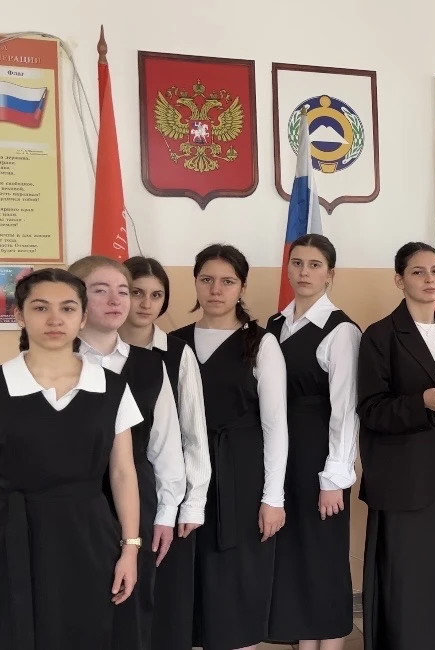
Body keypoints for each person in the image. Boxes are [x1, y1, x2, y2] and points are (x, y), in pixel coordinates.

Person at [0, 268, 142, 649]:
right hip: (14, 535)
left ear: (82, 316)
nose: (54, 319)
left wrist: (130, 547)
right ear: (19, 315)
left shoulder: (111, 387)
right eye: (40, 307)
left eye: (66, 308)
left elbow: (123, 472)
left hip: (90, 536)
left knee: (90, 632)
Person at [356, 242, 435, 650]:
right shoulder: (380, 336)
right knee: (404, 581)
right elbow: (371, 410)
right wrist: (421, 402)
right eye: (418, 272)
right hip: (403, 480)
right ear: (399, 280)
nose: (430, 279)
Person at [173, 244, 289, 650]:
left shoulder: (260, 343)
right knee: (191, 576)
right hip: (187, 474)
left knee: (237, 580)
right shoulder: (174, 343)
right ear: (195, 283)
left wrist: (273, 497)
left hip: (242, 475)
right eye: (206, 279)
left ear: (242, 287)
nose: (216, 289)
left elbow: (275, 425)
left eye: (227, 281)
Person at [68, 256, 186, 650]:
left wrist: (167, 512)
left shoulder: (151, 365)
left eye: (123, 291)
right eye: (100, 290)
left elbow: (166, 444)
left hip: (137, 497)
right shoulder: (56, 362)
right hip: (72, 496)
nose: (116, 300)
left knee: (130, 608)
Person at [265, 234, 359, 649]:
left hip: (320, 457)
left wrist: (335, 477)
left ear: (330, 274)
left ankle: (331, 643)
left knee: (322, 556)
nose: (304, 272)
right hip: (280, 453)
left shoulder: (341, 330)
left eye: (315, 265)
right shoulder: (273, 325)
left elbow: (346, 409)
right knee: (294, 555)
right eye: (297, 263)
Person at [119, 256, 212, 650]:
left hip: (164, 496)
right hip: (109, 491)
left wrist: (191, 504)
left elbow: (193, 433)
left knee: (165, 602)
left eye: (156, 295)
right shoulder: (94, 349)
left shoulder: (176, 353)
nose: (145, 304)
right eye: (136, 292)